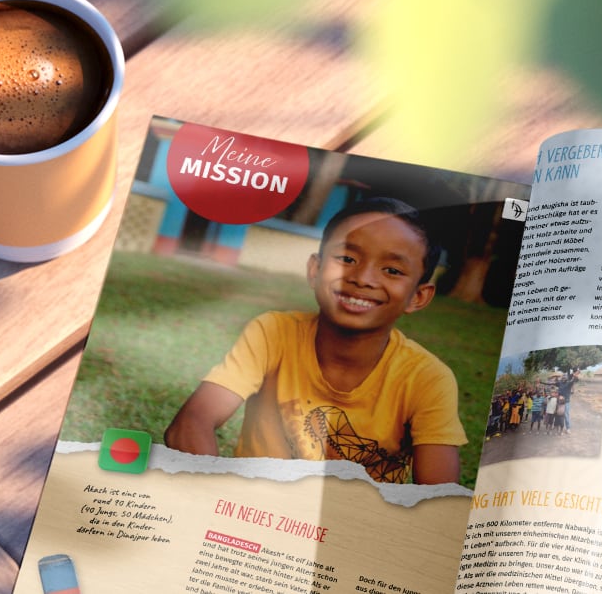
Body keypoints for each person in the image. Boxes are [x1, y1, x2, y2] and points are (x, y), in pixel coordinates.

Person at [165, 198, 465, 485]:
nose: (362, 278)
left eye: (392, 270)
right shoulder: (273, 333)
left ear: (418, 296)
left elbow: (436, 497)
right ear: (314, 270)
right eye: (347, 258)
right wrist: (213, 497)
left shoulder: (427, 378)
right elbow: (192, 423)